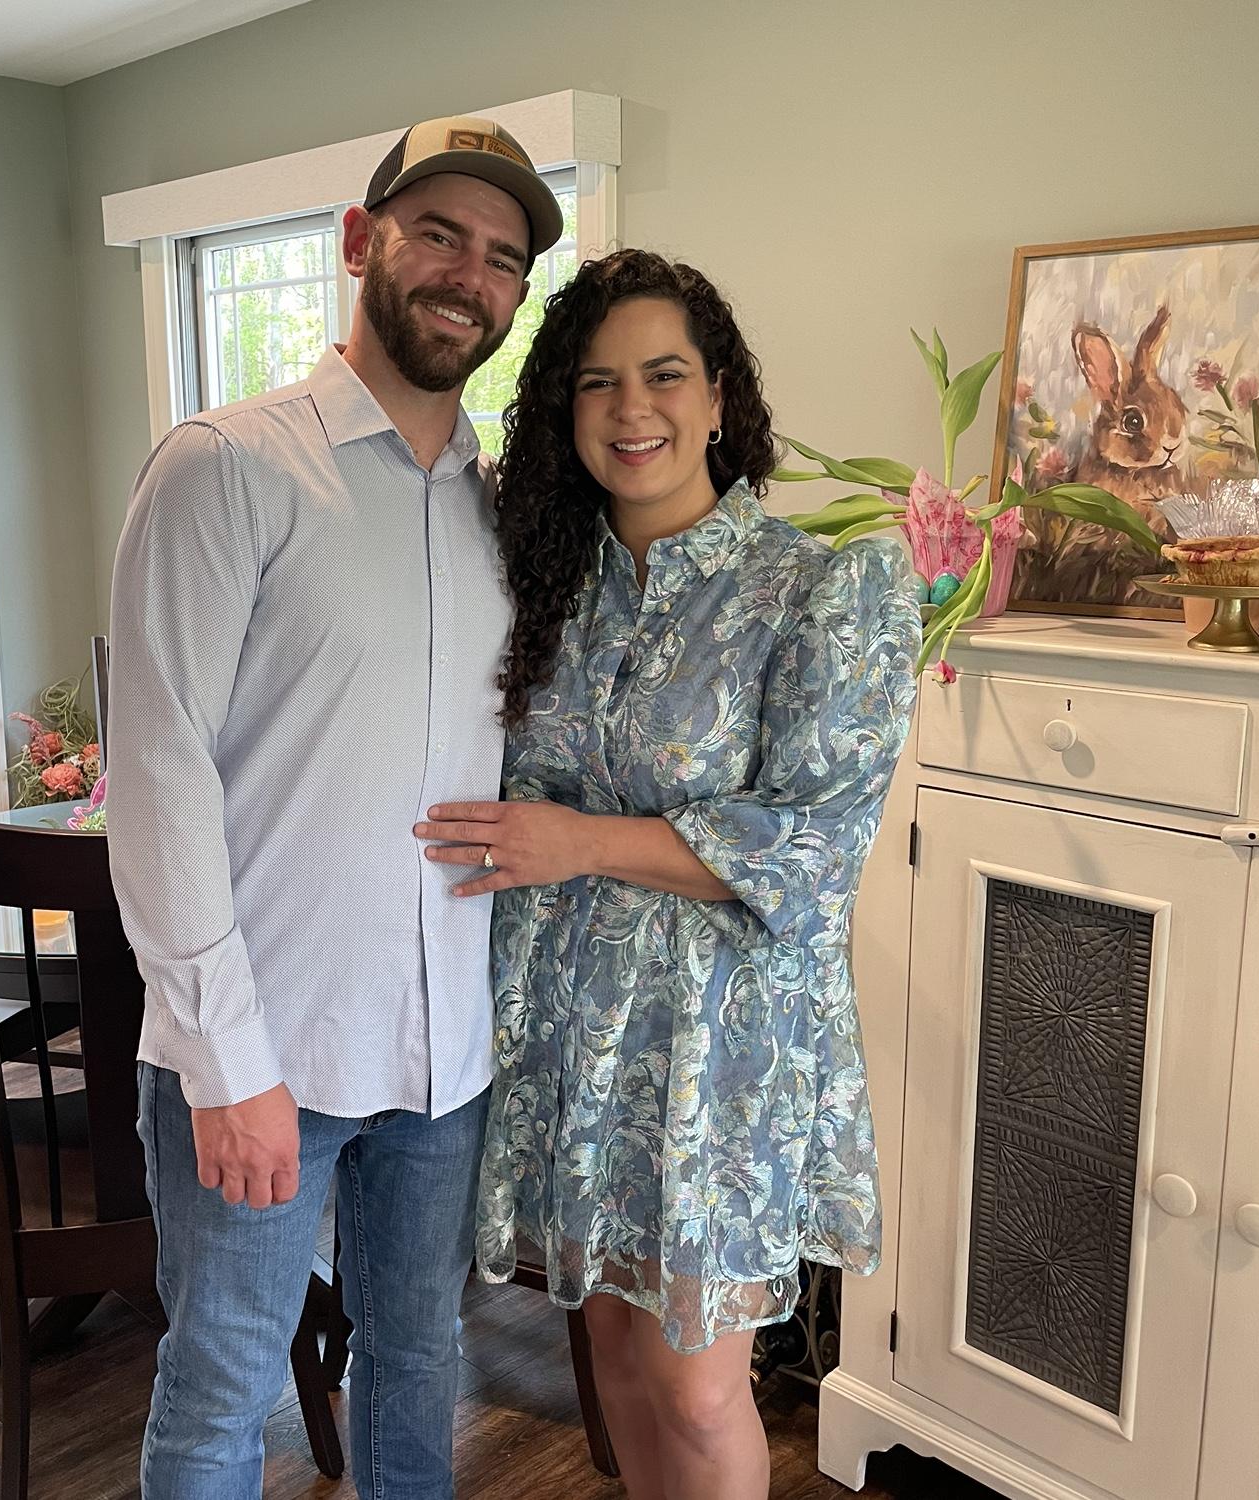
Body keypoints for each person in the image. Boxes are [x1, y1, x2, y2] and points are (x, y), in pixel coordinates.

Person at [106, 116, 562, 1499]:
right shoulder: (227, 466)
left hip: (442, 1059)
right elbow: (160, 775)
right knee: (225, 1389)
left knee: (418, 1359)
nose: (469, 276)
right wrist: (223, 1062)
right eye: (439, 234)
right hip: (269, 1052)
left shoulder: (502, 513)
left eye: (502, 257)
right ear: (361, 242)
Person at [415, 249, 919, 1500]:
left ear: (718, 396)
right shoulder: (544, 587)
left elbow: (814, 848)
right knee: (619, 1362)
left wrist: (579, 841)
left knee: (697, 1390)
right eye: (597, 382)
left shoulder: (820, 588)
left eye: (664, 374)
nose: (631, 408)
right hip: (570, 1038)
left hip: (721, 1052)